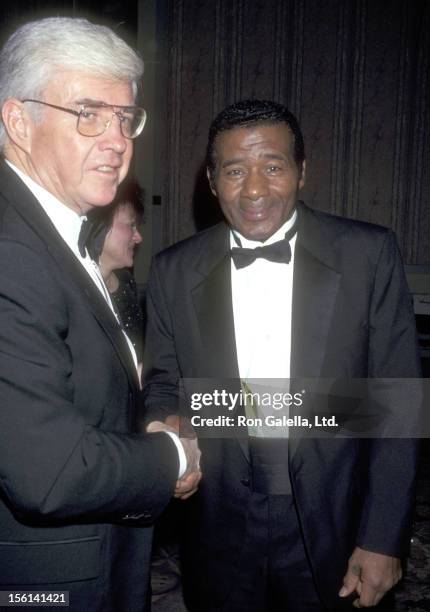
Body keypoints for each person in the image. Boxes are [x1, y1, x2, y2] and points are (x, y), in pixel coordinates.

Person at [142, 100, 422, 611]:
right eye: (234, 170)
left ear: (301, 172)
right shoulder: (172, 270)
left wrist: (382, 537)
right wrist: (170, 426)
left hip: (334, 514)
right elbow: (163, 382)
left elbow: (398, 403)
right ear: (211, 180)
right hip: (218, 517)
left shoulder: (367, 254)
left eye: (272, 166)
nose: (254, 189)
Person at [0, 17, 199, 611]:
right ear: (17, 121)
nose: (116, 139)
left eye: (124, 118)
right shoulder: (11, 250)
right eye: (87, 113)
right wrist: (173, 457)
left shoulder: (56, 233)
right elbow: (51, 473)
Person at [91, 179, 145, 364]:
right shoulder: (75, 286)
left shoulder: (126, 281)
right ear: (100, 225)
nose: (138, 237)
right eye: (131, 225)